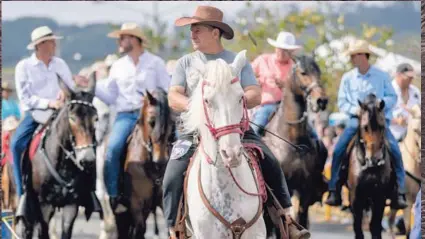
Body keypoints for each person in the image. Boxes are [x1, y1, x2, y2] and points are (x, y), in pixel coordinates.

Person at [163, 6, 297, 238]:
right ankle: (175, 227)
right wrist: (198, 108)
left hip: (235, 128)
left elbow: (255, 93)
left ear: (215, 32)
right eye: (191, 30)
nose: (192, 35)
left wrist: (232, 102)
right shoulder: (186, 62)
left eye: (198, 30)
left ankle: (286, 218)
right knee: (172, 175)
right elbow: (173, 96)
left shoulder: (236, 61)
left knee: (271, 162)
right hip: (194, 131)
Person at [11, 26, 114, 200]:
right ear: (41, 45)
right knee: (16, 145)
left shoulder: (60, 64)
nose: (55, 45)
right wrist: (49, 102)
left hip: (62, 113)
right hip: (36, 114)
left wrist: (68, 91)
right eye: (51, 42)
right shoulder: (24, 66)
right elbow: (25, 98)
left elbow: (70, 89)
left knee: (87, 141)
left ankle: (89, 194)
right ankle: (23, 195)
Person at [325, 39, 407, 209]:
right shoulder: (348, 78)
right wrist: (354, 109)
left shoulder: (382, 75)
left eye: (356, 55)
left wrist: (380, 104)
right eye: (352, 55)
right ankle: (334, 189)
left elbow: (392, 97)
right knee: (340, 148)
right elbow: (342, 101)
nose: (353, 58)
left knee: (395, 150)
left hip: (378, 121)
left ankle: (399, 192)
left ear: (364, 55)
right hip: (357, 120)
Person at [99, 23, 171, 212]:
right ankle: (115, 196)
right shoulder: (117, 66)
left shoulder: (155, 63)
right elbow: (110, 97)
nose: (119, 42)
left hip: (152, 116)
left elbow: (168, 88)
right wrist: (92, 88)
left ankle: (181, 192)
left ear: (134, 39)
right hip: (126, 115)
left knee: (180, 144)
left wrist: (157, 95)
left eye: (123, 38)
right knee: (112, 150)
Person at [250, 31, 301, 135]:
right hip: (268, 105)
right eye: (279, 49)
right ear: (275, 48)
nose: (281, 53)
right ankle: (250, 146)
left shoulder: (296, 67)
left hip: (290, 106)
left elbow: (300, 90)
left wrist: (285, 86)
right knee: (256, 128)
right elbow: (247, 75)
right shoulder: (263, 60)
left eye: (285, 50)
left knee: (311, 133)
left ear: (291, 52)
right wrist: (254, 82)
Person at [389, 63, 420, 141]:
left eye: (411, 78)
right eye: (408, 77)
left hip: (412, 135)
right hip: (391, 134)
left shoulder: (415, 91)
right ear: (399, 75)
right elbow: (378, 116)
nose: (411, 80)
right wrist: (396, 120)